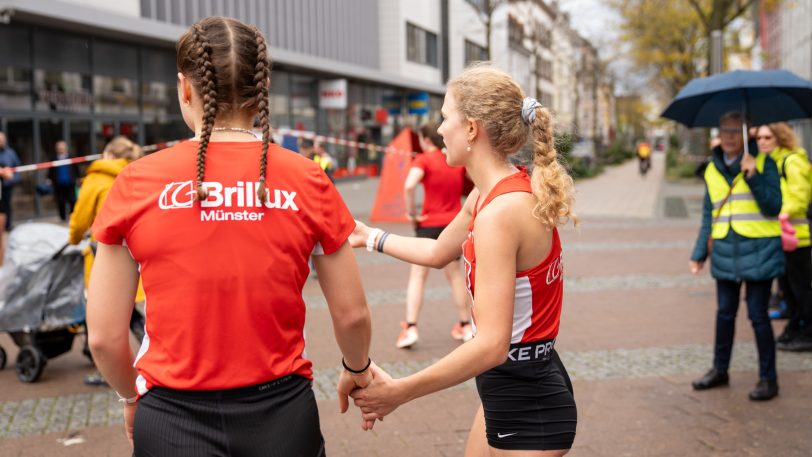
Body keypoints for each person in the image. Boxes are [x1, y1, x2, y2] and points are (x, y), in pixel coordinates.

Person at [86, 16, 373, 455]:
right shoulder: (307, 178)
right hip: (281, 413)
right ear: (262, 90)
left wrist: (131, 396)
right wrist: (358, 367)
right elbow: (352, 315)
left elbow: (104, 337)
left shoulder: (136, 181)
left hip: (170, 418)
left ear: (185, 88)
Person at [349, 64, 577, 455]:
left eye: (445, 118)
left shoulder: (501, 213)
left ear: (471, 128)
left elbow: (491, 345)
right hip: (505, 389)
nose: (439, 130)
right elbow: (438, 252)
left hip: (530, 403)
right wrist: (369, 236)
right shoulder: (487, 194)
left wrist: (398, 392)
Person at [690, 111, 783, 401]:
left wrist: (753, 175)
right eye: (725, 130)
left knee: (758, 316)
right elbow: (709, 213)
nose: (730, 137)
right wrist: (698, 253)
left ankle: (769, 379)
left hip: (760, 249)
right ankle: (720, 370)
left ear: (747, 133)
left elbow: (774, 206)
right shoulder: (712, 169)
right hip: (725, 250)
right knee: (724, 314)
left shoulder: (765, 162)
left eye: (736, 131)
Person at [68, 136, 147, 386]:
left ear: (109, 154)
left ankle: (109, 371)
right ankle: (149, 358)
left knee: (103, 318)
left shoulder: (97, 179)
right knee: (133, 313)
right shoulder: (139, 176)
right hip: (139, 252)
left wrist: (73, 238)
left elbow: (80, 221)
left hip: (105, 255)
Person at [396, 121, 471, 349]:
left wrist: (411, 212)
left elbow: (409, 185)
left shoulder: (423, 159)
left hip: (428, 224)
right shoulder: (454, 160)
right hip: (453, 224)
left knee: (418, 275)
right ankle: (465, 324)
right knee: (455, 276)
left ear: (426, 140)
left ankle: (410, 327)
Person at [755, 123, 812, 352]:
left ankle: (808, 331)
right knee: (787, 289)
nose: (762, 142)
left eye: (767, 137)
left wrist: (780, 211)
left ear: (780, 138)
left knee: (801, 288)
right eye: (759, 138)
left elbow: (800, 196)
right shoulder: (771, 163)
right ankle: (797, 326)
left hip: (798, 238)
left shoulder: (791, 161)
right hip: (782, 238)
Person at [48, 140, 78, 221]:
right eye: (59, 148)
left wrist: (77, 178)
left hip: (70, 182)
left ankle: (72, 216)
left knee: (72, 200)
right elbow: (51, 170)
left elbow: (76, 169)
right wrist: (49, 179)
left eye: (62, 147)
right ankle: (63, 218)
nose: (60, 149)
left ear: (66, 148)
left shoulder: (71, 157)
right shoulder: (53, 158)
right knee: (61, 201)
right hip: (59, 183)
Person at [0, 131, 21, 232]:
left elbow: (17, 168)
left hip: (7, 185)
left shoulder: (10, 152)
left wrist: (13, 179)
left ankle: (7, 225)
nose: (1, 142)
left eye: (3, 140)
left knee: (6, 206)